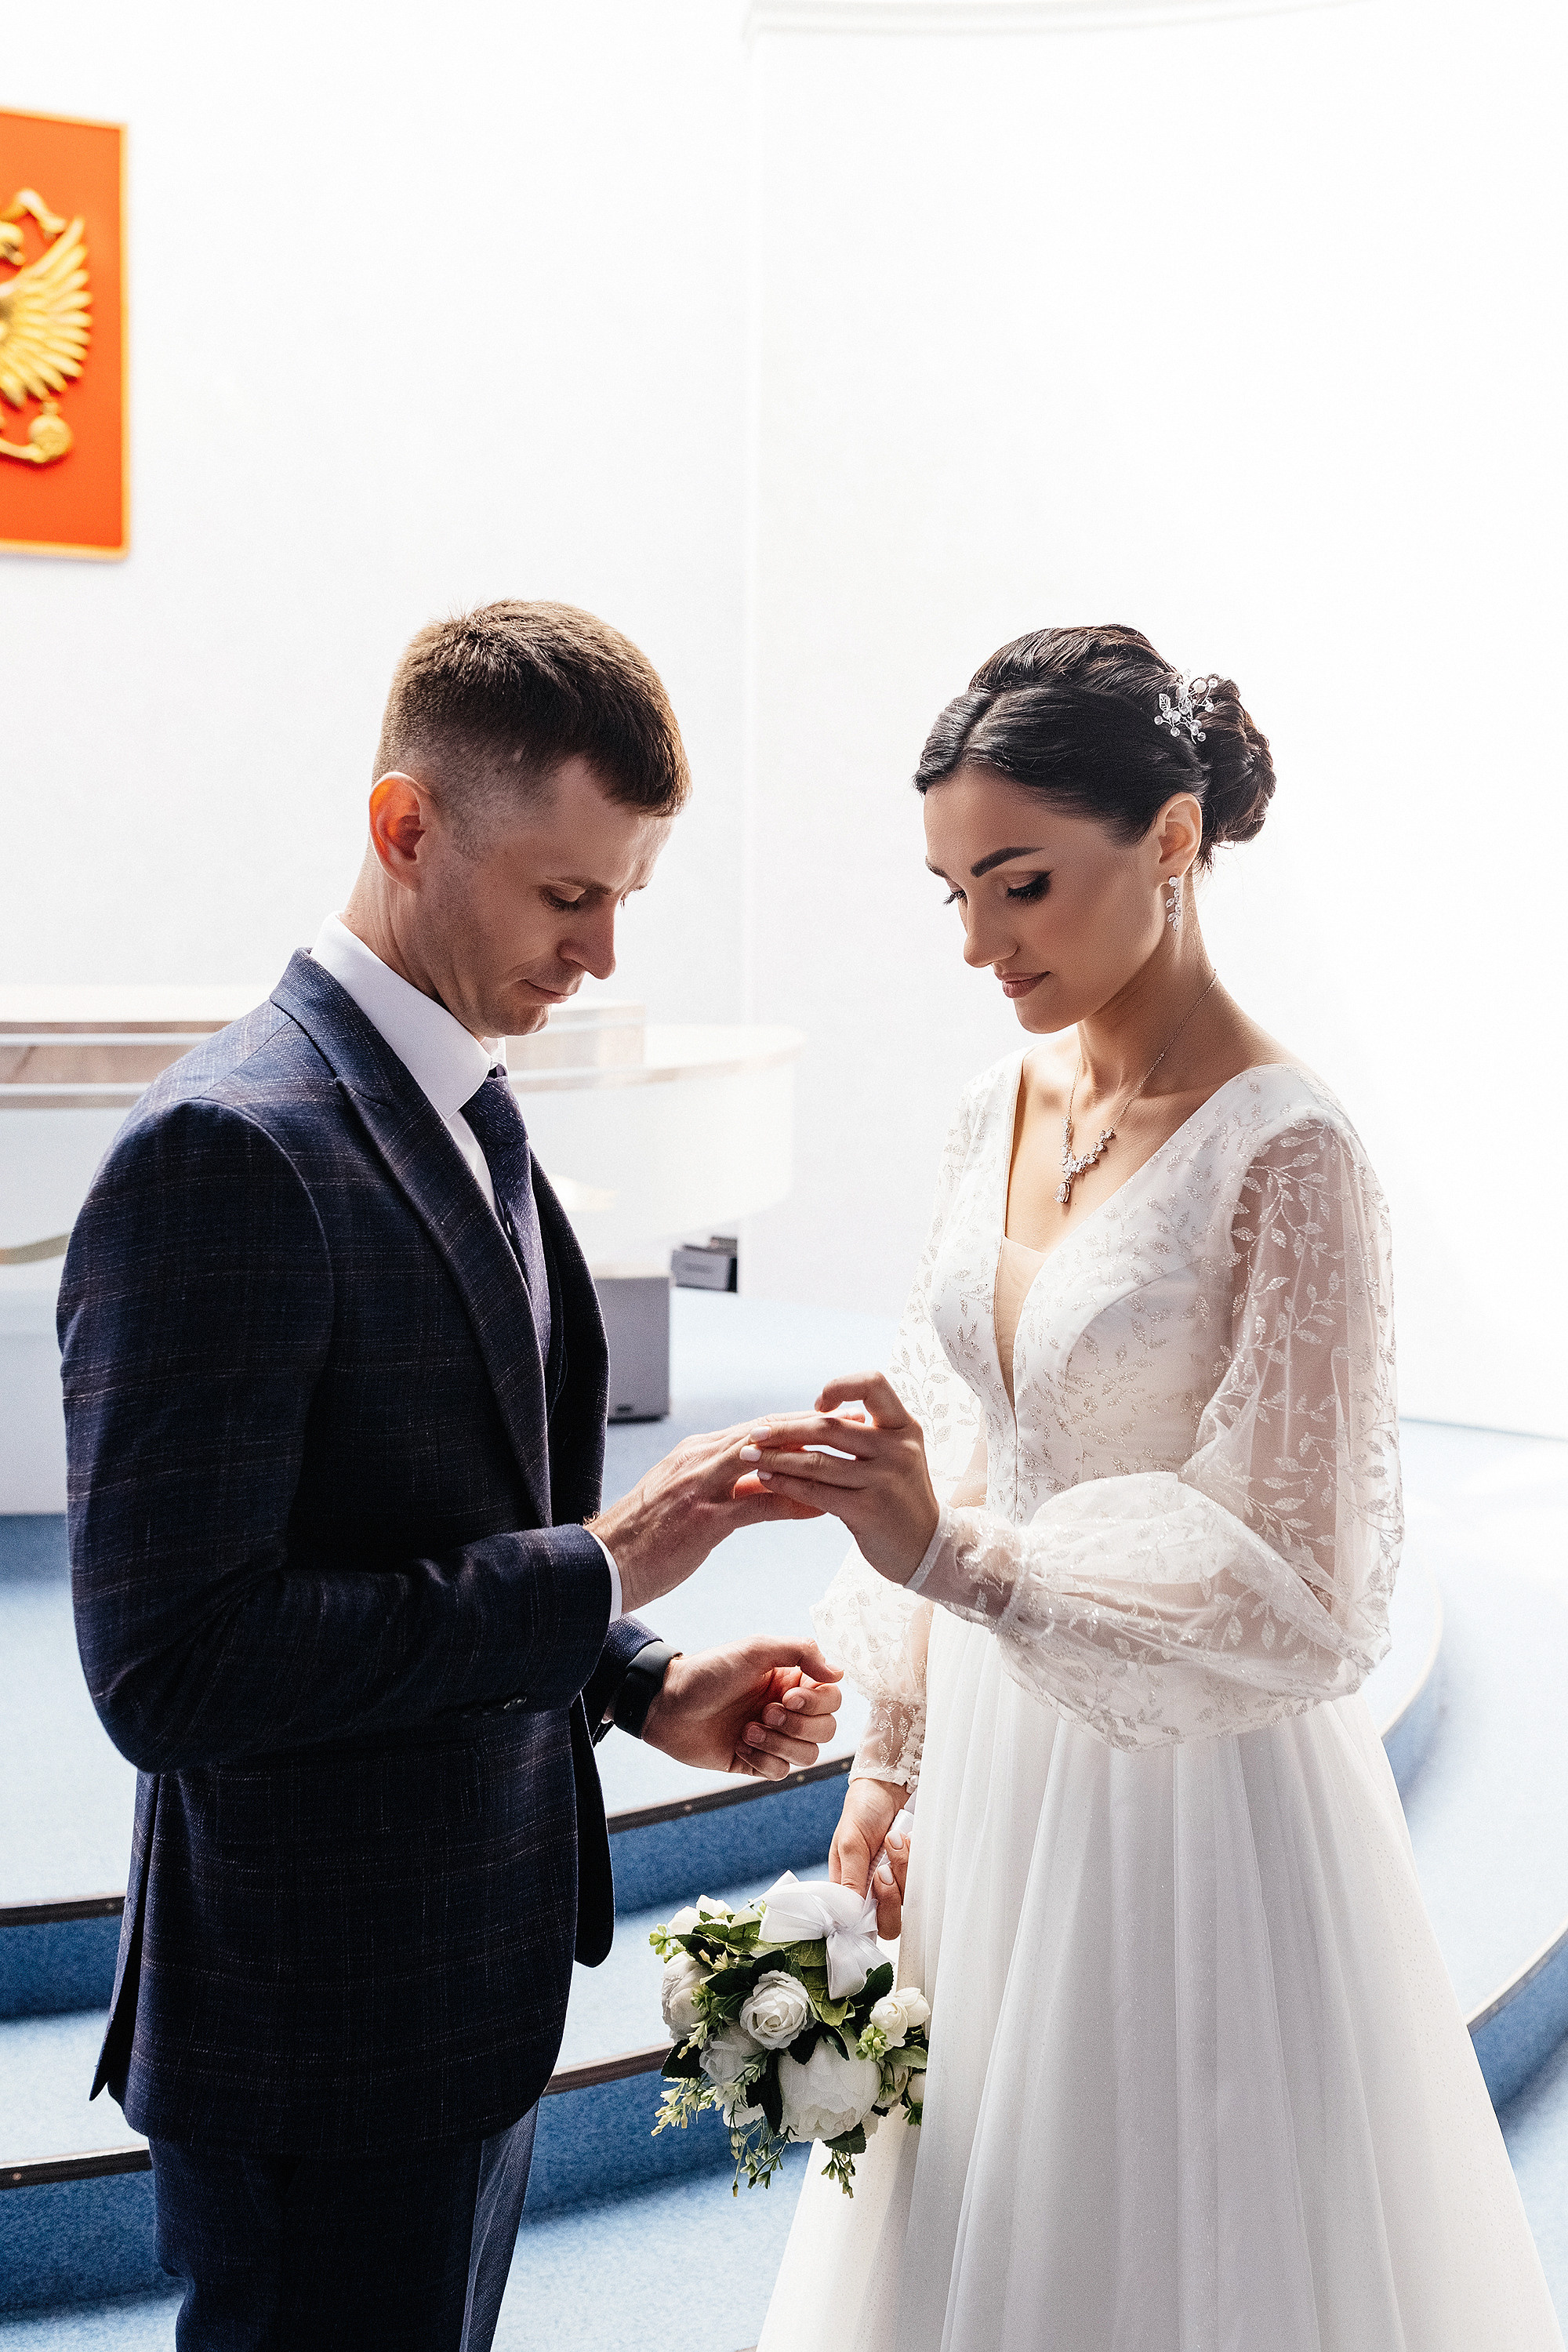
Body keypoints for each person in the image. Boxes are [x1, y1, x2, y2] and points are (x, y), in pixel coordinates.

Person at [744, 626, 1563, 2350]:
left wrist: (962, 1564)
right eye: (951, 892)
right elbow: (962, 1432)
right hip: (990, 1749)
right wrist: (889, 1754)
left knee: (1167, 2209)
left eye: (1022, 885)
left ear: (1174, 840)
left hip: (1189, 1790)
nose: (978, 943)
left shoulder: (1290, 1152)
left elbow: (1299, 1578)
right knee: (973, 2200)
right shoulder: (1000, 1100)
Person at [60, 601, 838, 2352]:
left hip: (457, 1998)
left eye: (627, 899)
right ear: (405, 830)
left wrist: (638, 1682)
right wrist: (604, 1574)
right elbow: (175, 1665)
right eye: (569, 898)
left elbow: (431, 1521)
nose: (605, 957)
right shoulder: (224, 1152)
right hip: (316, 2033)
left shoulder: (466, 1104)